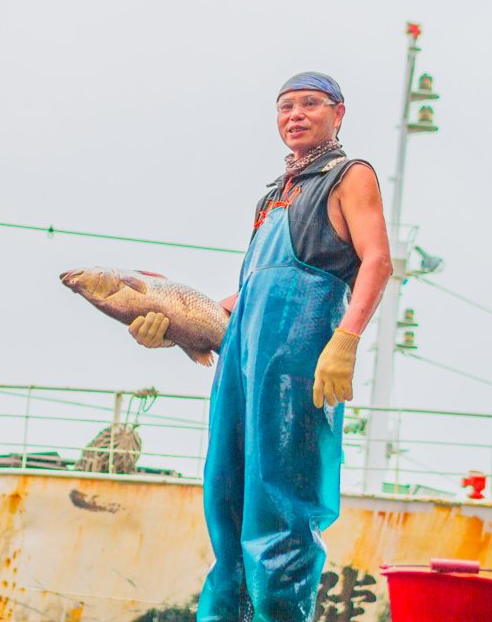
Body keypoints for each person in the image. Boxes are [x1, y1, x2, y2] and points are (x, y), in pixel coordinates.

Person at [129, 72, 392, 621]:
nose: (295, 114)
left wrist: (344, 342)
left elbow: (377, 260)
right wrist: (171, 323)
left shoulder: (350, 175)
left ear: (338, 112)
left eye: (310, 104)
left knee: (281, 507)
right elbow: (249, 292)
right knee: (226, 499)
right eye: (284, 107)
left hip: (299, 357)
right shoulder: (274, 195)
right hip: (242, 356)